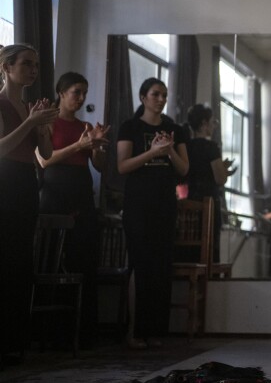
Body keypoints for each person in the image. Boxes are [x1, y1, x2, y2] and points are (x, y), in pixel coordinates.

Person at [36, 72, 110, 347]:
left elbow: (100, 166)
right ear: (61, 92)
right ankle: (47, 333)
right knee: (52, 259)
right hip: (55, 194)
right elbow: (45, 160)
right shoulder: (47, 123)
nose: (80, 98)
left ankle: (82, 333)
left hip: (81, 194)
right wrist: (79, 145)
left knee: (84, 259)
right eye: (76, 92)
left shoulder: (86, 126)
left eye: (84, 93)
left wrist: (97, 146)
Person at [117, 78, 189, 350]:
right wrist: (151, 152)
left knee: (161, 267)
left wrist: (168, 150)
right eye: (155, 94)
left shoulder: (175, 129)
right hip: (138, 205)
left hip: (165, 206)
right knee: (140, 265)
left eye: (164, 95)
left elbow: (183, 170)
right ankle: (134, 330)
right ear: (143, 97)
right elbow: (123, 166)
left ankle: (156, 330)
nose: (161, 99)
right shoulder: (130, 127)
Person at [0, 44, 57, 365]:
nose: (34, 70)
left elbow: (46, 156)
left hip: (26, 184)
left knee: (21, 262)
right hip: (4, 181)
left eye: (36, 65)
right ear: (7, 68)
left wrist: (44, 129)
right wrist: (29, 123)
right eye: (27, 64)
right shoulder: (2, 103)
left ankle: (14, 341)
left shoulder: (29, 106)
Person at [184, 103, 235, 263]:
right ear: (204, 124)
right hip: (209, 202)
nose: (214, 126)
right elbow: (220, 178)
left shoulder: (186, 146)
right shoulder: (210, 147)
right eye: (213, 122)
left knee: (191, 245)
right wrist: (224, 171)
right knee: (209, 246)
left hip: (190, 199)